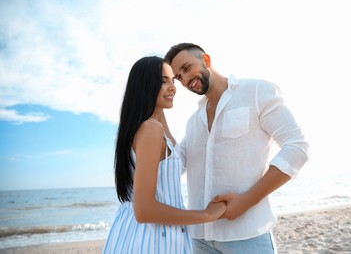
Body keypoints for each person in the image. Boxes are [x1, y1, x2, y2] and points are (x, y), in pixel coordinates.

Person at [164, 43, 309, 253]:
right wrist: (158, 114)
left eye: (186, 68)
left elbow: (297, 147)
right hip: (198, 239)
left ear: (206, 60)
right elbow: (174, 166)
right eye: (178, 77)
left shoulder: (256, 91)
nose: (185, 80)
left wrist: (245, 202)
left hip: (248, 236)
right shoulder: (193, 121)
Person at [103, 56, 227, 254]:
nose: (173, 87)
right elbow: (145, 211)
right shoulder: (150, 129)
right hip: (153, 239)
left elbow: (176, 157)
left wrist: (159, 106)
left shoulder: (145, 127)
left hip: (131, 233)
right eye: (163, 81)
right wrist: (206, 215)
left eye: (172, 80)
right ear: (145, 85)